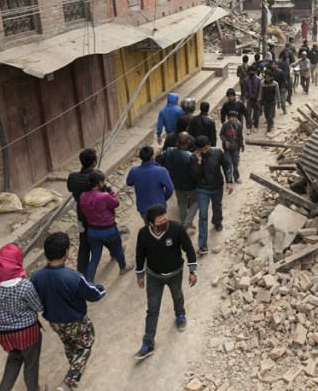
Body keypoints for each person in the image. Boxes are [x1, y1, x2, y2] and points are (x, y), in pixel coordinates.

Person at [31, 233, 105, 391]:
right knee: (85, 344)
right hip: (75, 320)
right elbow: (93, 295)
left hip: (54, 322)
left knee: (69, 344)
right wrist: (101, 289)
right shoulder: (73, 277)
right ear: (66, 251)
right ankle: (68, 383)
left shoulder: (37, 277)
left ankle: (73, 368)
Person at [0, 244, 45, 391]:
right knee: (30, 363)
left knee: (14, 360)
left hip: (3, 335)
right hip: (27, 332)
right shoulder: (24, 286)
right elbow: (38, 307)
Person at [134, 204, 197, 359]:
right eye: (160, 221)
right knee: (152, 308)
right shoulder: (143, 234)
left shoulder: (176, 229)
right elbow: (140, 255)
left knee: (177, 295)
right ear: (151, 223)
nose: (164, 222)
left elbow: (189, 248)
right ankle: (148, 343)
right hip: (154, 276)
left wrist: (192, 271)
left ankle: (180, 314)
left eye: (165, 219)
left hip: (175, 273)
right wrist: (140, 275)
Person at [79, 171, 133, 283]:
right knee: (118, 249)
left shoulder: (83, 196)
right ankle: (123, 267)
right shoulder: (104, 196)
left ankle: (89, 282)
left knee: (95, 258)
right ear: (99, 183)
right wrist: (109, 189)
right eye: (103, 181)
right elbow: (116, 203)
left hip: (93, 231)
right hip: (109, 229)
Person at [189, 135, 233, 254]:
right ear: (197, 149)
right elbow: (194, 176)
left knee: (217, 206)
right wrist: (199, 162)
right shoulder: (193, 157)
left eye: (206, 149)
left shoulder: (218, 152)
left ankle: (217, 221)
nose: (204, 152)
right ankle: (202, 245)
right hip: (202, 189)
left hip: (217, 187)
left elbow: (227, 166)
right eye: (201, 150)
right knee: (203, 215)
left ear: (209, 145)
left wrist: (229, 181)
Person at [156, 132, 197, 228]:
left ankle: (184, 222)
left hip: (175, 183)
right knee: (197, 199)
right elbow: (195, 173)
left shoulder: (168, 151)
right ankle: (187, 222)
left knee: (182, 202)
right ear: (188, 142)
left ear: (177, 142)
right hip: (189, 185)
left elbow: (158, 159)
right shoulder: (191, 156)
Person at [65, 149, 97, 274]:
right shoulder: (96, 177)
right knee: (108, 234)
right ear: (94, 162)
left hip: (81, 215)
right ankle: (116, 253)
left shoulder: (72, 177)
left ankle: (81, 271)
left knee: (84, 242)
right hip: (97, 214)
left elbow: (70, 189)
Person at [126, 146, 174, 221]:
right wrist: (163, 198)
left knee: (149, 227)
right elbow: (170, 189)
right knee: (161, 226)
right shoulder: (161, 171)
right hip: (159, 208)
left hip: (144, 209)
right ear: (152, 157)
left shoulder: (134, 171)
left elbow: (129, 182)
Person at [220, 110, 244, 184]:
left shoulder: (239, 125)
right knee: (229, 163)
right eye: (231, 117)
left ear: (237, 118)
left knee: (235, 163)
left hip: (235, 148)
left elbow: (240, 136)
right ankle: (229, 179)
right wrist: (225, 141)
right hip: (227, 148)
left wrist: (242, 145)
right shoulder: (225, 124)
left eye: (235, 117)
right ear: (229, 118)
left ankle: (236, 177)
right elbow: (221, 134)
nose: (233, 119)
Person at [241, 67, 261, 135]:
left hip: (256, 100)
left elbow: (260, 90)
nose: (251, 72)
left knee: (256, 114)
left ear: (255, 71)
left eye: (252, 71)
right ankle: (249, 127)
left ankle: (256, 126)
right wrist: (247, 97)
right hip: (249, 100)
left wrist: (259, 99)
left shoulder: (258, 80)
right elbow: (245, 89)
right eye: (250, 71)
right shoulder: (246, 80)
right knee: (248, 114)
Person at [259, 70, 280, 134]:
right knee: (266, 115)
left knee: (270, 116)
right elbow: (260, 93)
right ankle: (271, 123)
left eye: (268, 77)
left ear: (271, 77)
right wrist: (259, 100)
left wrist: (278, 102)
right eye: (266, 77)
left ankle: (268, 129)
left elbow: (277, 94)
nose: (267, 79)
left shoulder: (275, 84)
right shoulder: (262, 83)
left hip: (272, 102)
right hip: (265, 102)